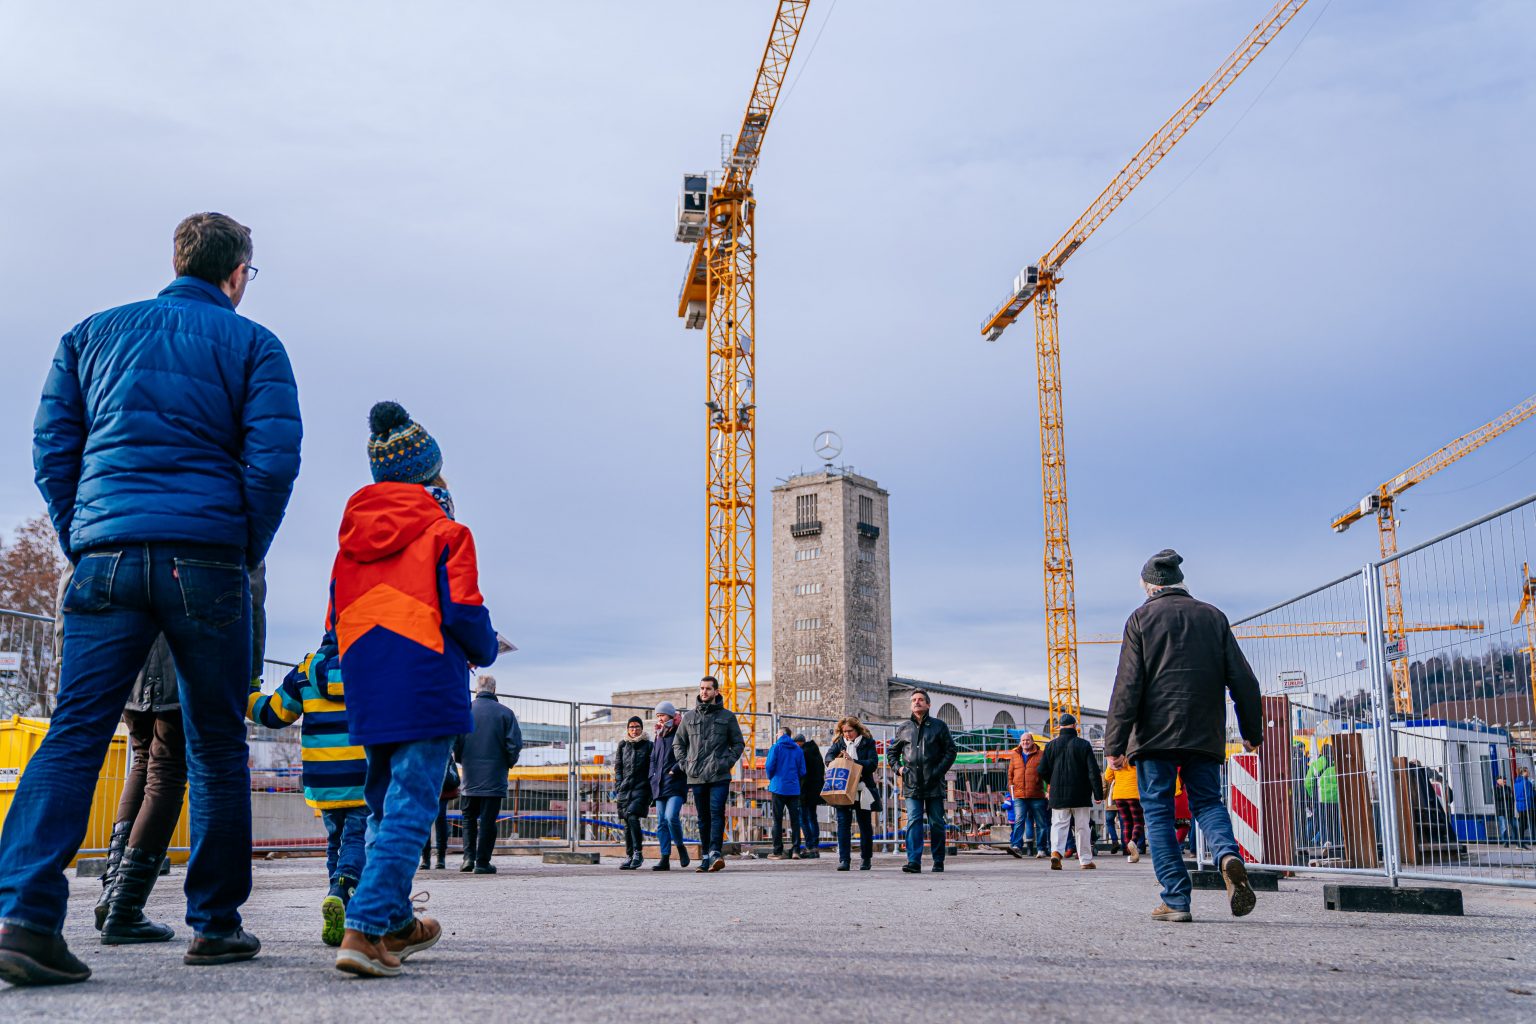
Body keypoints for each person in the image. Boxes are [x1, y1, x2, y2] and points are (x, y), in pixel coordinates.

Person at [0, 213, 301, 986]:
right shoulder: (254, 346)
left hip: (105, 558)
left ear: (178, 260)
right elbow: (272, 463)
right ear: (237, 273)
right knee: (215, 743)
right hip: (206, 561)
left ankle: (24, 918)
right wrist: (240, 549)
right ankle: (217, 924)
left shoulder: (89, 335)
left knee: (74, 732)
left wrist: (86, 537)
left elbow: (51, 451)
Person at [328, 401, 498, 978]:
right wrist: (487, 648)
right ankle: (365, 925)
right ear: (430, 476)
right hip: (426, 681)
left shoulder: (348, 544)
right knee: (411, 805)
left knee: (381, 806)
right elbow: (465, 611)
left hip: (367, 686)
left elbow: (336, 621)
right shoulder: (448, 532)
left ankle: (395, 923)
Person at [1104, 549, 1264, 923]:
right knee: (1207, 803)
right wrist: (1251, 733)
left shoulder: (1141, 619)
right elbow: (1244, 679)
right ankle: (1228, 856)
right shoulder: (1213, 617)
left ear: (1149, 586)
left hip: (1154, 737)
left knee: (1158, 814)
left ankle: (1176, 899)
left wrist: (1115, 745)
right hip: (1203, 733)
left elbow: (1127, 686)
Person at [248, 640, 367, 948]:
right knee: (357, 840)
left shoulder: (304, 672)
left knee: (335, 842)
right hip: (362, 774)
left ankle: (335, 901)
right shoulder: (371, 664)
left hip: (323, 778)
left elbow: (272, 714)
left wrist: (247, 690)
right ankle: (342, 893)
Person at [673, 676, 745, 873]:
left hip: (719, 775)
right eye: (702, 688)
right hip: (696, 775)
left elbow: (738, 743)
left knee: (716, 813)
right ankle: (705, 856)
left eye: (708, 689)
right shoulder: (689, 718)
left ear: (716, 692)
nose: (704, 692)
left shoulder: (727, 717)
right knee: (703, 817)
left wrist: (726, 762)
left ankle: (715, 852)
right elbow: (678, 743)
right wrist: (685, 764)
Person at [453, 674, 523, 874]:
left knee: (468, 819)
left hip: (470, 776)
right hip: (494, 776)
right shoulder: (505, 713)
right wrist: (507, 763)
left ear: (476, 689)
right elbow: (514, 744)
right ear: (494, 690)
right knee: (487, 820)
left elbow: (455, 743)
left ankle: (468, 859)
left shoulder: (465, 711)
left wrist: (463, 760)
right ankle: (482, 862)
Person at [891, 689, 957, 874]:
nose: (917, 702)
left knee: (936, 822)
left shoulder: (939, 726)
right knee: (913, 821)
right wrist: (899, 769)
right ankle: (913, 861)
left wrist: (938, 771)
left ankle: (938, 860)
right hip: (912, 783)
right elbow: (892, 753)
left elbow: (951, 751)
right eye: (914, 700)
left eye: (921, 700)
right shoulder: (904, 728)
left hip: (934, 783)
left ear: (928, 704)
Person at [1039, 712, 1103, 870]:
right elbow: (1093, 771)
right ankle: (1085, 860)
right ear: (1075, 726)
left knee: (1059, 825)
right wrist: (1098, 793)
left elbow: (1041, 770)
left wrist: (1052, 782)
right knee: (1082, 827)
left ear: (1059, 727)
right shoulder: (1083, 745)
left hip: (1058, 794)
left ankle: (1056, 853)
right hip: (1080, 793)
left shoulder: (1050, 745)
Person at [826, 717, 881, 871]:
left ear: (857, 730)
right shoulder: (839, 743)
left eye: (850, 731)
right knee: (843, 824)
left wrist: (853, 762)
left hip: (862, 788)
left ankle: (866, 859)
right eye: (844, 731)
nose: (847, 734)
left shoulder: (868, 742)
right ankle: (844, 859)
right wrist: (838, 759)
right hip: (843, 789)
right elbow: (828, 758)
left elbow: (872, 764)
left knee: (864, 825)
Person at [648, 701, 690, 870]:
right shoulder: (658, 734)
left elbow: (688, 754)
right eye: (658, 716)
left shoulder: (681, 731)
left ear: (671, 715)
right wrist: (652, 774)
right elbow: (653, 758)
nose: (660, 719)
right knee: (661, 823)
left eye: (662, 715)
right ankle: (664, 858)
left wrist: (675, 769)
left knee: (670, 817)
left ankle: (680, 847)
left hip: (676, 782)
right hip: (659, 783)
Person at [613, 716, 654, 870]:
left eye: (637, 727)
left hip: (642, 788)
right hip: (625, 789)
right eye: (631, 727)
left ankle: (638, 853)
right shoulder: (623, 745)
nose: (634, 729)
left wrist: (650, 789)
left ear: (642, 728)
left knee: (632, 816)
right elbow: (618, 767)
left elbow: (652, 768)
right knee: (627, 822)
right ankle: (629, 855)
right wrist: (619, 785)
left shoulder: (649, 745)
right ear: (627, 729)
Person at [1004, 732, 1050, 858]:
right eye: (1023, 740)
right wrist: (1010, 786)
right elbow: (1010, 773)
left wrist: (1049, 790)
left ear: (1032, 741)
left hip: (1037, 795)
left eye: (1027, 740)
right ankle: (1017, 847)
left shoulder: (1041, 755)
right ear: (1020, 742)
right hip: (1019, 795)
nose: (1025, 742)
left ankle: (1041, 849)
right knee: (1019, 820)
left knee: (1041, 823)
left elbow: (1047, 773)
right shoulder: (1015, 755)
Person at [766, 727, 807, 859]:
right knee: (795, 821)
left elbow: (769, 766)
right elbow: (802, 771)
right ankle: (796, 850)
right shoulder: (798, 749)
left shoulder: (776, 747)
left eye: (777, 733)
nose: (776, 735)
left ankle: (778, 851)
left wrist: (772, 778)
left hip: (778, 787)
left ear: (781, 734)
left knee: (777, 820)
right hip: (794, 789)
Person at [422, 757, 460, 871]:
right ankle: (427, 857)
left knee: (438, 817)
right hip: (427, 785)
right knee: (430, 819)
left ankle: (439, 856)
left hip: (440, 786)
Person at [1104, 757, 1144, 863]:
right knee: (1138, 822)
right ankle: (1133, 842)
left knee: (1126, 824)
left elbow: (1107, 777)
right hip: (1134, 794)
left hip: (1119, 795)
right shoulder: (1135, 758)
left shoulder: (1115, 760)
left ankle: (1129, 852)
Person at [1305, 743, 1341, 853]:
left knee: (1324, 820)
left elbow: (1308, 783)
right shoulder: (1340, 764)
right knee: (1336, 820)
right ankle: (1338, 842)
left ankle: (1326, 841)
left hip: (1321, 798)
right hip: (1338, 798)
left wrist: (1313, 795)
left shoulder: (1316, 764)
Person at [796, 733, 825, 858]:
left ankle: (810, 846)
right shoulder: (816, 752)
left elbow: (801, 773)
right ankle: (815, 846)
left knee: (803, 819)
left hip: (804, 791)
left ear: (798, 743)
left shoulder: (803, 753)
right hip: (815, 791)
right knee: (812, 817)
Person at [1514, 768, 1535, 849]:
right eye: (1527, 771)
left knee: (1522, 824)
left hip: (1520, 806)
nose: (1528, 772)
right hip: (1527, 805)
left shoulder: (1516, 782)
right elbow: (1529, 795)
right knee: (1524, 824)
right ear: (1524, 772)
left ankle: (1519, 842)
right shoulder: (1527, 782)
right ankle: (1520, 843)